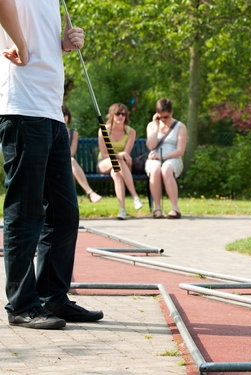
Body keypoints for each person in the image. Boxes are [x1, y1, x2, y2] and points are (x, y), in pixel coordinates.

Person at [0, 0, 103, 329]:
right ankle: (21, 304)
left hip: (50, 110)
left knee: (63, 213)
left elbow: (41, 40)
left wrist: (63, 44)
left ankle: (52, 297)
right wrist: (19, 43)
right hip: (21, 106)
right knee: (25, 210)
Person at [97, 103, 143, 219]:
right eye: (118, 114)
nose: (121, 116)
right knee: (118, 162)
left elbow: (126, 155)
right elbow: (103, 155)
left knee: (116, 173)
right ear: (112, 115)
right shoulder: (104, 130)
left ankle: (122, 210)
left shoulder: (130, 132)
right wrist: (118, 155)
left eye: (123, 114)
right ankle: (135, 196)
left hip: (122, 165)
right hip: (105, 163)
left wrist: (121, 156)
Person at [145, 98, 187, 219]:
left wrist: (163, 157)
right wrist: (156, 127)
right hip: (154, 159)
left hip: (173, 158)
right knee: (155, 169)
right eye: (161, 117)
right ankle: (157, 209)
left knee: (166, 169)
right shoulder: (151, 126)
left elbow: (180, 151)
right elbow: (151, 146)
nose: (164, 119)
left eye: (166, 117)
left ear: (172, 112)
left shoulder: (180, 127)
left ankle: (175, 208)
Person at [62, 105, 102, 203]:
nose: (63, 116)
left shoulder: (73, 133)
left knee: (70, 162)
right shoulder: (51, 132)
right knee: (70, 163)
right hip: (58, 163)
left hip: (69, 164)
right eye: (61, 114)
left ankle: (72, 203)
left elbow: (72, 152)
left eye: (65, 114)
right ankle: (89, 192)